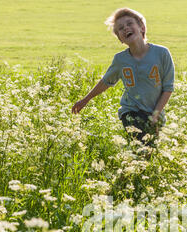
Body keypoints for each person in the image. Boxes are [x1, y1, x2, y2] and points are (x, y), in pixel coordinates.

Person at [72, 8, 174, 144]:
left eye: (130, 24)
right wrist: (85, 100)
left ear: (142, 28)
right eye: (120, 28)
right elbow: (106, 82)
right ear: (120, 39)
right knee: (142, 147)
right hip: (131, 111)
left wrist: (156, 114)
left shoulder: (162, 53)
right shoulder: (120, 60)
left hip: (155, 112)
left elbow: (168, 88)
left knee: (149, 152)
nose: (126, 28)